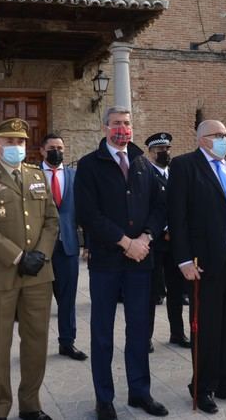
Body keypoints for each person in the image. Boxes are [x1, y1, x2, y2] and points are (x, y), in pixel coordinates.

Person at [75, 106, 168, 420]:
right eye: (116, 123)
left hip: (141, 262)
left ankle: (140, 392)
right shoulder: (89, 165)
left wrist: (146, 238)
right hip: (106, 262)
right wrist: (125, 242)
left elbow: (159, 208)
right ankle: (104, 399)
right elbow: (88, 214)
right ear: (104, 128)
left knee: (139, 331)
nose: (122, 129)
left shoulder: (144, 163)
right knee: (102, 333)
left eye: (127, 124)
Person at [168, 119, 226, 415]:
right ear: (202, 139)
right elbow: (177, 216)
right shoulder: (185, 166)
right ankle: (204, 386)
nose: (224, 139)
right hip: (205, 263)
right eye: (218, 135)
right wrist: (183, 259)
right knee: (206, 328)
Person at [0, 118, 59, 420]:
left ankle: (31, 405)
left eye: (20, 142)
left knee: (36, 343)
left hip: (38, 276)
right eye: (9, 142)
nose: (15, 147)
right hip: (1, 275)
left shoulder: (37, 176)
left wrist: (40, 255)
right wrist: (20, 257)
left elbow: (52, 220)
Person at [39, 133, 87, 361]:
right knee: (38, 300)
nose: (56, 151)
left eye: (59, 147)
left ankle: (67, 342)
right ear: (42, 150)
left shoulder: (75, 176)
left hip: (68, 245)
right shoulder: (32, 176)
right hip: (40, 247)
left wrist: (86, 243)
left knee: (67, 299)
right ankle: (35, 346)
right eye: (51, 147)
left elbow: (84, 212)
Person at [144, 132, 189, 353]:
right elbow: (147, 208)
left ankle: (177, 332)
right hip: (155, 242)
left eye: (168, 149)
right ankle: (146, 336)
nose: (166, 153)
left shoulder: (175, 174)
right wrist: (162, 230)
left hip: (176, 243)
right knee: (152, 292)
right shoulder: (146, 175)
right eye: (161, 150)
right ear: (151, 152)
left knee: (177, 290)